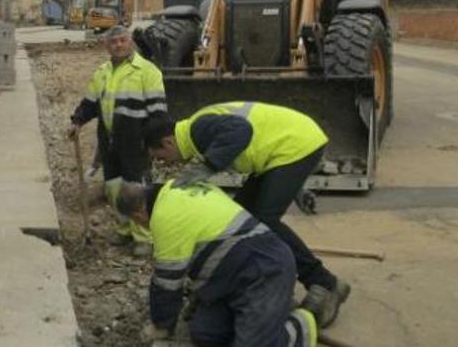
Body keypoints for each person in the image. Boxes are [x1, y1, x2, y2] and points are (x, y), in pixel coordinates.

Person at [143, 101, 350, 327]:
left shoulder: (198, 130)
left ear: (168, 141)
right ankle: (248, 286)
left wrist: (207, 167)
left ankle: (325, 283)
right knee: (242, 217)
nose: (164, 163)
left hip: (296, 145)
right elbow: (261, 138)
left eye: (161, 157)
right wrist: (294, 187)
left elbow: (243, 131)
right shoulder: (197, 132)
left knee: (264, 221)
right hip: (285, 149)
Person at [116, 180, 317, 346]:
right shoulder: (178, 186)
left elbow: (167, 282)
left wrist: (162, 327)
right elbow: (205, 245)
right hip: (234, 276)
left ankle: (299, 326)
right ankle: (267, 315)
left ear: (138, 215)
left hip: (264, 270)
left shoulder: (164, 216)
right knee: (205, 334)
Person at [68, 25, 167, 256]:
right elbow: (90, 103)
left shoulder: (147, 71)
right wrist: (77, 121)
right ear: (106, 45)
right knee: (114, 188)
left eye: (123, 40)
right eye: (114, 42)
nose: (119, 45)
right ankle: (124, 229)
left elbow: (158, 113)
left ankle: (143, 236)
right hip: (110, 142)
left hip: (137, 143)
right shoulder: (102, 72)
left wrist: (154, 143)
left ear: (130, 42)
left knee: (137, 189)